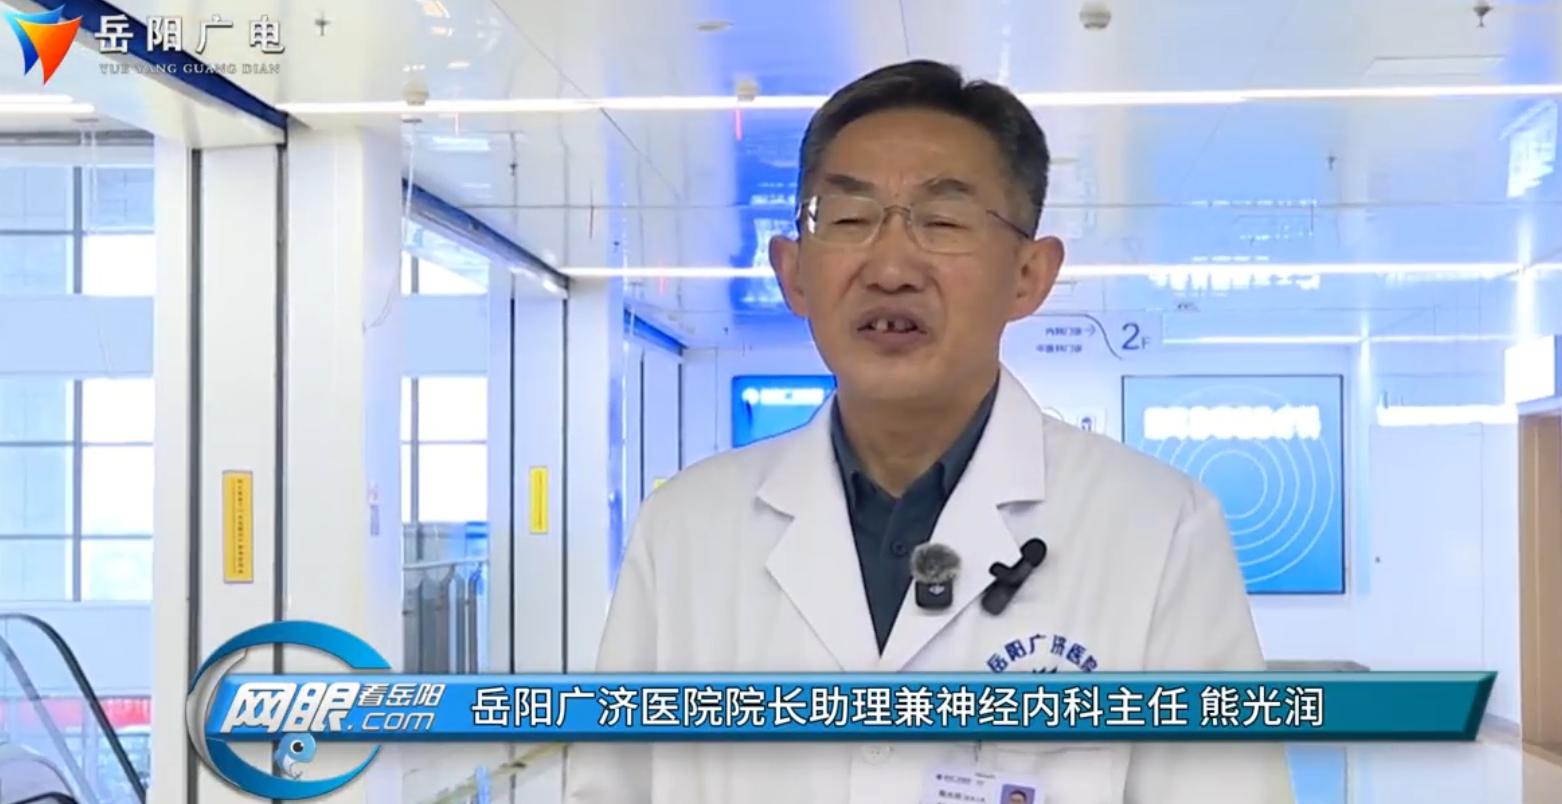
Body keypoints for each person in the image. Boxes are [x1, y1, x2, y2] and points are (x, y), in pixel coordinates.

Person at [565, 60, 1294, 804]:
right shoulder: (685, 528)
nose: (890, 268)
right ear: (793, 272)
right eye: (849, 219)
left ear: (1030, 275)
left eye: (943, 222)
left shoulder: (1159, 528)